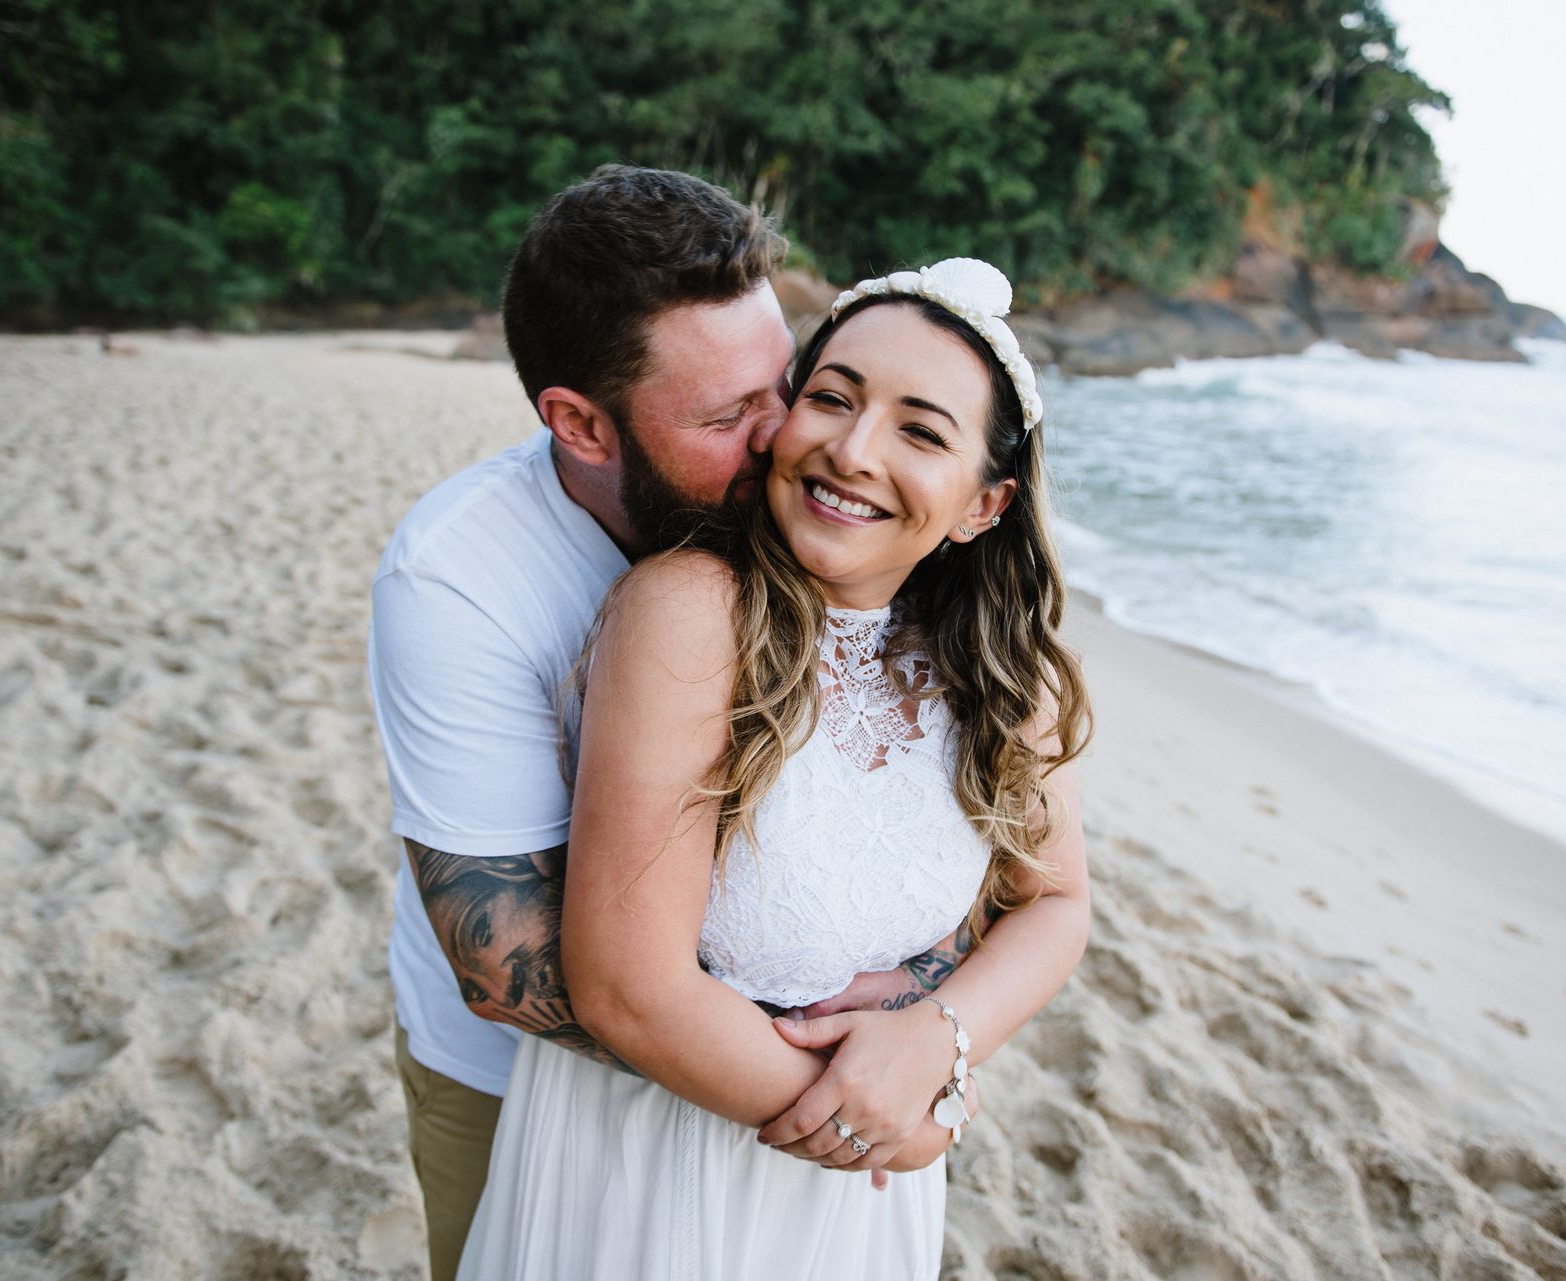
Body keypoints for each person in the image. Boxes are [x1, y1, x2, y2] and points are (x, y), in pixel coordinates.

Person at [368, 166, 986, 1281]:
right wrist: (861, 1093)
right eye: (725, 415)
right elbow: (503, 959)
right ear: (580, 424)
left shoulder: (816, 529)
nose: (786, 435)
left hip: (811, 1102)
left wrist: (925, 1023)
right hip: (520, 1088)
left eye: (785, 383)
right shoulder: (457, 577)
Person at [456, 257, 1093, 1279]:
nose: (853, 449)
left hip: (861, 1187)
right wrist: (898, 1125)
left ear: (984, 503)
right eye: (832, 398)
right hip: (661, 1166)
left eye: (921, 432)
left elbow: (1055, 903)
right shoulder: (691, 610)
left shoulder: (1005, 677)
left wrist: (940, 1037)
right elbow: (626, 988)